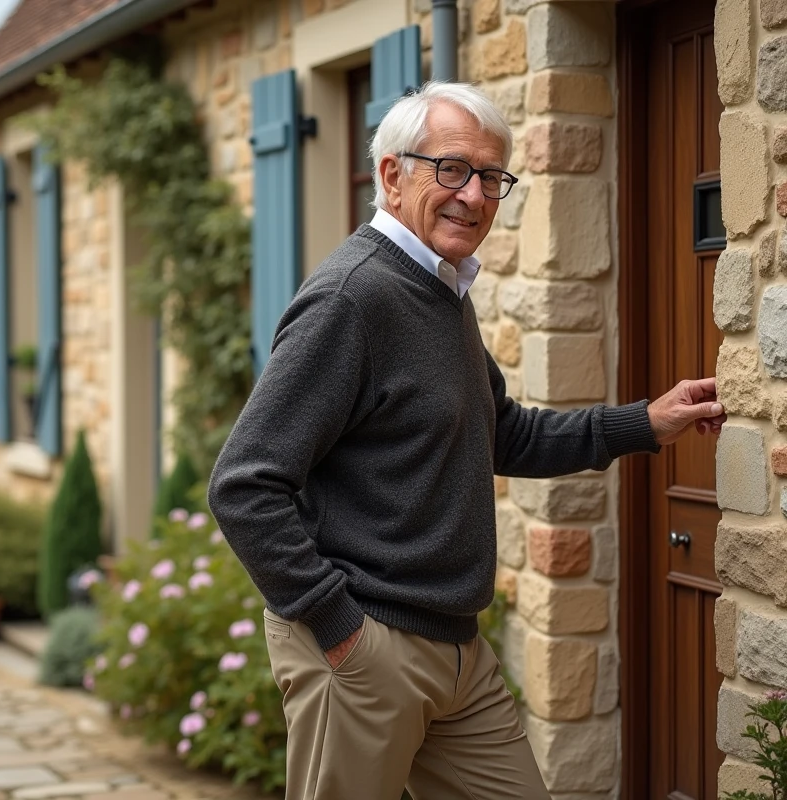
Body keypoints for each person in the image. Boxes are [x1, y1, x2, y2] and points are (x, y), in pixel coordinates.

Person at [206, 81, 726, 800]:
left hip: (458, 650)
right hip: (365, 649)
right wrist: (341, 629)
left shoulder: (439, 289)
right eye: (452, 169)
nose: (475, 196)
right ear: (392, 175)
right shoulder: (352, 298)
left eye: (491, 177)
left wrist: (646, 422)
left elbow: (502, 432)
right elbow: (244, 483)